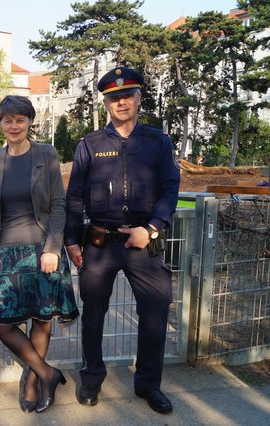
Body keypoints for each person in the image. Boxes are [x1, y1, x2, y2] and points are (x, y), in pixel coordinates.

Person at [64, 66, 180, 414]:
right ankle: (91, 379)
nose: (121, 102)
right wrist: (71, 240)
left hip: (143, 242)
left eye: (127, 96)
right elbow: (74, 196)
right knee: (94, 316)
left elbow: (170, 188)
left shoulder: (158, 142)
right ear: (106, 103)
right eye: (114, 98)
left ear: (139, 99)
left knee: (156, 312)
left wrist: (152, 228)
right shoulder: (90, 145)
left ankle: (148, 385)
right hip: (100, 244)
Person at [0, 95, 79, 414]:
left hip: (42, 247)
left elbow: (57, 205)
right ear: (0, 123)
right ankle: (47, 373)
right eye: (8, 120)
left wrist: (53, 248)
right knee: (0, 322)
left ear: (29, 123)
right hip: (9, 251)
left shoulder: (46, 154)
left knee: (41, 319)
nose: (14, 126)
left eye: (20, 120)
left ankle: (31, 383)